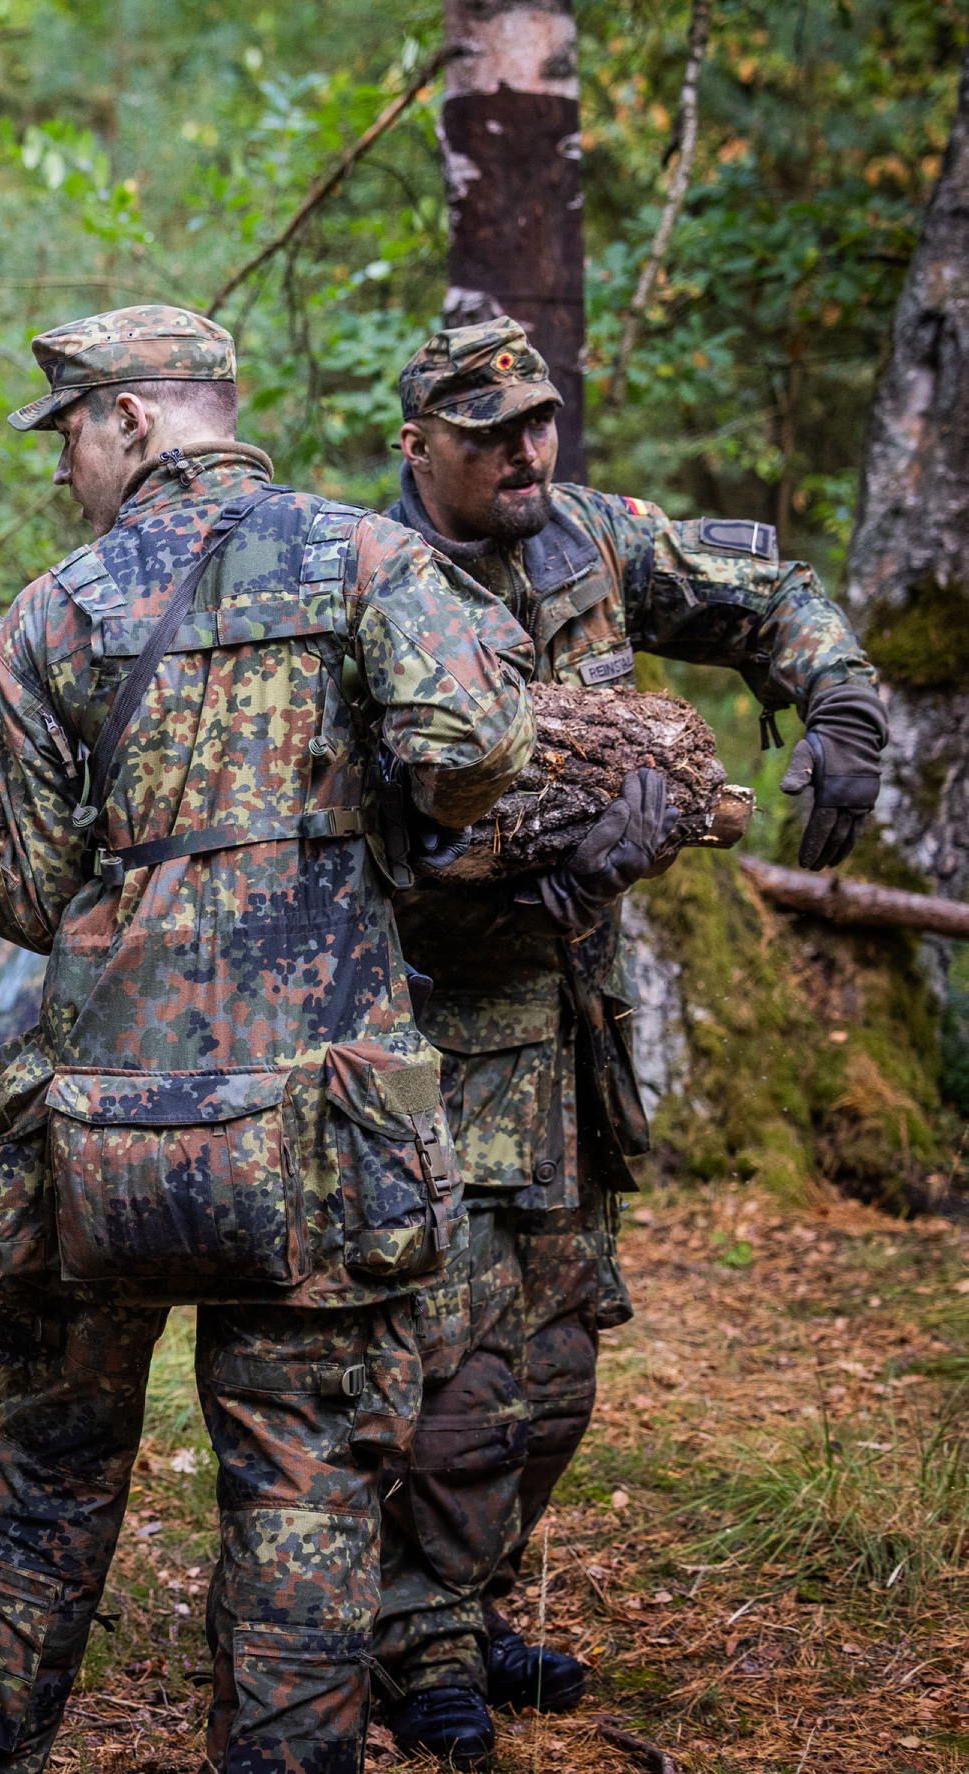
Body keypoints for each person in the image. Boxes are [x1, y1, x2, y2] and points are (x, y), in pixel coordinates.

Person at [0, 304, 537, 1774]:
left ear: (129, 419)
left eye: (70, 433)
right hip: (322, 1124)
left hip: (104, 1125)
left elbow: (26, 892)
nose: (65, 465)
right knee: (308, 1478)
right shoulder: (370, 560)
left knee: (44, 1452)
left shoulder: (51, 613)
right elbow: (471, 752)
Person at [367, 317, 885, 1767]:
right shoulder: (371, 581)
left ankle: (468, 1599)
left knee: (556, 1374)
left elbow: (766, 592)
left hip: (572, 1039)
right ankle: (413, 1644)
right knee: (457, 1381)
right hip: (433, 1047)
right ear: (419, 446)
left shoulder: (587, 538)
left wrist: (841, 699)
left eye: (539, 420)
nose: (527, 451)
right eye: (490, 435)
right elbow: (366, 837)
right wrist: (545, 874)